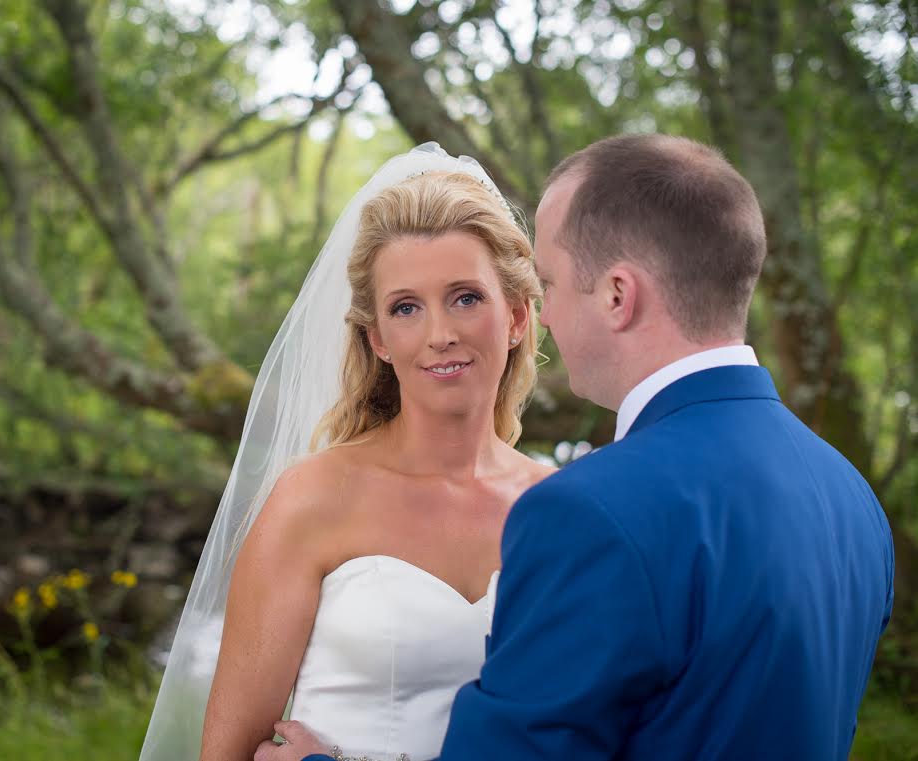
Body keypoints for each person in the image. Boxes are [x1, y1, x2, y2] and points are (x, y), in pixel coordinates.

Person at [273, 134, 895, 760]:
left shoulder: (588, 510)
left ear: (618, 295)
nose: (545, 315)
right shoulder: (851, 498)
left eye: (551, 283)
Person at [137, 143, 554, 761]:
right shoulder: (313, 500)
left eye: (466, 297)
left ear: (517, 317)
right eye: (406, 307)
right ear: (378, 338)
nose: (440, 334)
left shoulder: (555, 508)